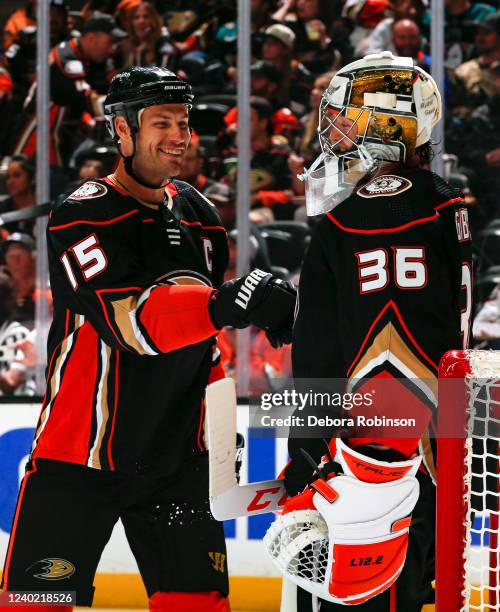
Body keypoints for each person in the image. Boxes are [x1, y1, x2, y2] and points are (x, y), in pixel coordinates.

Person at [0, 66, 296, 611]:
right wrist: (228, 302)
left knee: (199, 604)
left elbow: (203, 346)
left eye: (183, 122)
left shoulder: (200, 218)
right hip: (81, 455)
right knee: (33, 605)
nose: (179, 136)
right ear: (122, 130)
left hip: (176, 459)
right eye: (161, 122)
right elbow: (132, 323)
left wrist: (219, 441)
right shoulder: (85, 213)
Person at [267, 52, 472, 611]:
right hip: (410, 466)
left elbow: (395, 359)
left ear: (387, 126)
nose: (329, 137)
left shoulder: (383, 205)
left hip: (372, 482)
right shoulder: (426, 197)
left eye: (342, 121)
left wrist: (364, 486)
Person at [12, 12, 127, 169]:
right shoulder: (67, 58)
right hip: (40, 143)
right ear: (92, 37)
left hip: (58, 140)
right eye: (110, 42)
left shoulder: (83, 56)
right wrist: (127, 108)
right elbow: (87, 100)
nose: (112, 49)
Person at [0, 156, 36, 237]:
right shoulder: (2, 208)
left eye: (17, 176)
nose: (10, 181)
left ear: (31, 178)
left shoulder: (43, 204)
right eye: (8, 177)